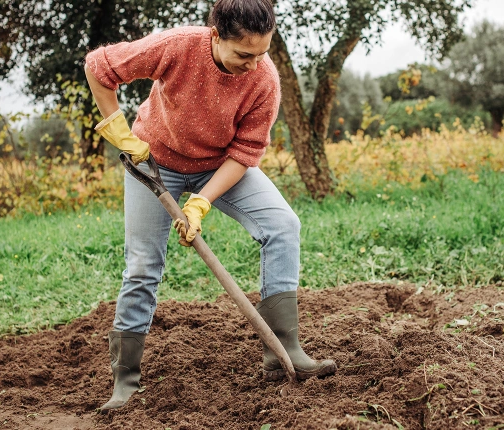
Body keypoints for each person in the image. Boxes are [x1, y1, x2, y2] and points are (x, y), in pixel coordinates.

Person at [84, 0, 336, 411]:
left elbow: (245, 151)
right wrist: (121, 133)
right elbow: (100, 67)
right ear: (215, 36)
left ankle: (283, 350)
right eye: (244, 54)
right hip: (154, 164)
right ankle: (125, 379)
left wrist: (202, 202)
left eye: (263, 53)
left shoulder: (264, 80)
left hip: (219, 166)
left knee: (283, 225)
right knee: (144, 264)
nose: (254, 65)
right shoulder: (180, 45)